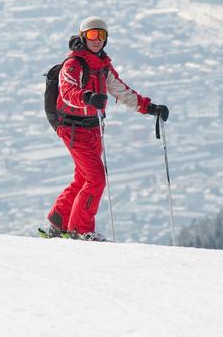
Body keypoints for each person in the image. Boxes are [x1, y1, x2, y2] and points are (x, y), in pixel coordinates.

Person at [47, 16, 168, 240]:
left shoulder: (102, 65)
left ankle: (59, 221)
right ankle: (80, 231)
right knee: (96, 178)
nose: (97, 40)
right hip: (73, 129)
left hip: (92, 129)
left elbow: (121, 91)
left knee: (84, 178)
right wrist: (88, 98)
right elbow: (67, 92)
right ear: (83, 36)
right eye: (93, 34)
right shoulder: (73, 64)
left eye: (102, 35)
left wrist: (149, 107)